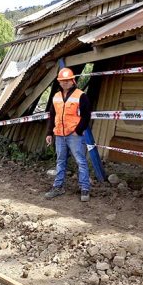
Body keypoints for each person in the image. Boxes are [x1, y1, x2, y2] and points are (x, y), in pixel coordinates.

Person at [44, 68, 92, 202]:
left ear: (72, 81)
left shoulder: (81, 95)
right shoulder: (56, 96)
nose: (65, 83)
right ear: (59, 82)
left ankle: (84, 189)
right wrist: (49, 132)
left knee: (80, 162)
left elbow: (86, 115)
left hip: (74, 135)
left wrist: (78, 131)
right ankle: (58, 187)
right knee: (60, 161)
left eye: (67, 81)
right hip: (59, 135)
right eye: (62, 81)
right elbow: (52, 115)